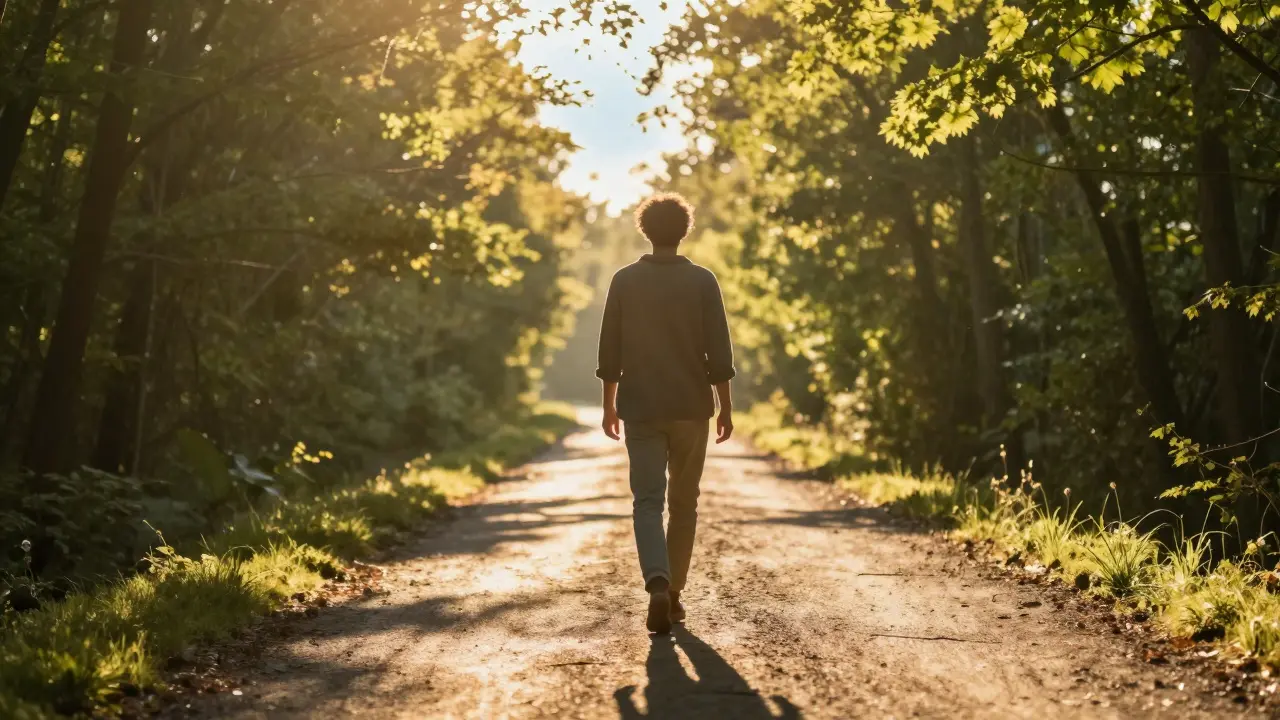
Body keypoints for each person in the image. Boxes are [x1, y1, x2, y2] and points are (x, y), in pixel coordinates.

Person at [595, 193, 736, 634]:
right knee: (684, 503)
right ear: (684, 230)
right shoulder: (702, 281)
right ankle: (674, 593)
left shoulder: (624, 280)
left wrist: (609, 404)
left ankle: (656, 580)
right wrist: (725, 404)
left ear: (644, 230)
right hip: (692, 408)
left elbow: (609, 350)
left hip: (641, 407)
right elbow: (719, 349)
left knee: (647, 501)